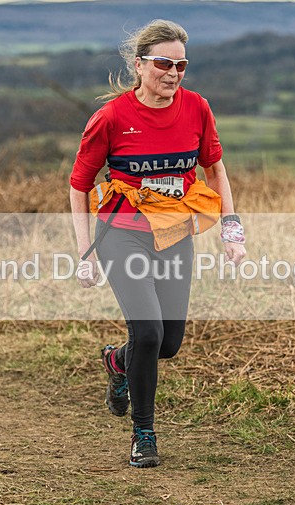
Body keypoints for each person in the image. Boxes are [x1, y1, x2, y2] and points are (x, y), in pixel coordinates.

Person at [68, 19, 246, 468]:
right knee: (146, 332)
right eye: (164, 63)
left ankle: (117, 362)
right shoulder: (111, 118)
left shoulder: (197, 108)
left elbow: (215, 170)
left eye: (181, 65)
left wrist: (231, 228)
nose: (173, 73)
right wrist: (85, 252)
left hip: (174, 233)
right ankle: (143, 433)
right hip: (121, 233)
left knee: (167, 343)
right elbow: (79, 185)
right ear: (139, 65)